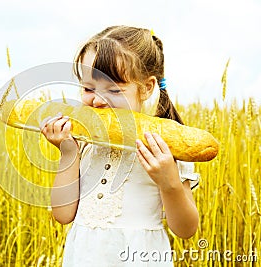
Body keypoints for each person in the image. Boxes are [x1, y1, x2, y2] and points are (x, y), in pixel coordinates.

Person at [40, 25, 200, 266]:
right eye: (88, 88)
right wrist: (68, 152)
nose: (97, 100)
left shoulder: (165, 148)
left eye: (114, 89)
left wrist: (169, 183)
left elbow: (186, 229)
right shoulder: (85, 143)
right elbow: (63, 215)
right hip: (85, 257)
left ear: (146, 88)